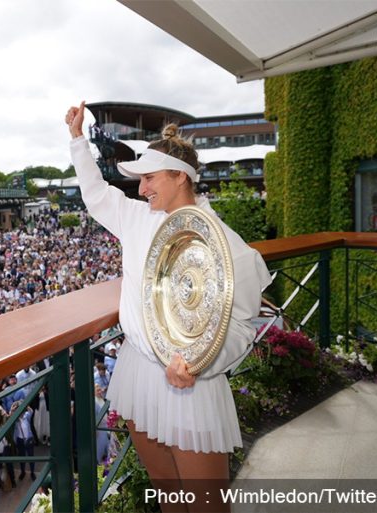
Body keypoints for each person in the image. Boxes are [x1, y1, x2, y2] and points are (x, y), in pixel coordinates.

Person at [66, 102, 271, 513]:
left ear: (181, 177)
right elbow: (96, 195)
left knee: (206, 505)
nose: (141, 189)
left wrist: (198, 364)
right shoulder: (137, 218)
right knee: (166, 490)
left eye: (149, 178)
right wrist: (76, 141)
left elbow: (244, 326)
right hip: (138, 370)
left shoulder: (230, 246)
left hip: (190, 384)